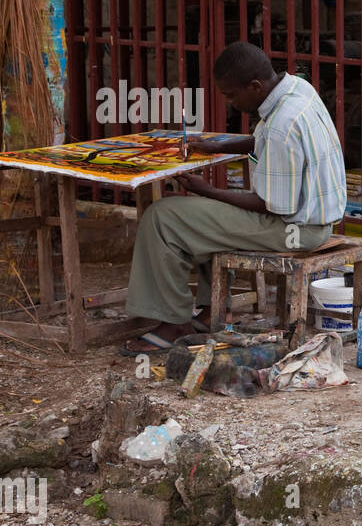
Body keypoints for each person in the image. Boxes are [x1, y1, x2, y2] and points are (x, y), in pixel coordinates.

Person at [122, 42, 347, 352]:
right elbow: (264, 141)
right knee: (197, 214)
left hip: (297, 230)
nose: (229, 102)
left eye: (231, 95)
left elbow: (272, 206)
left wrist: (207, 190)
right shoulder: (297, 89)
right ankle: (211, 309)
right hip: (311, 220)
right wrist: (218, 146)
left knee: (164, 217)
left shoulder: (283, 124)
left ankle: (175, 322)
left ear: (255, 86)